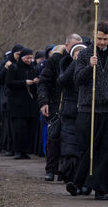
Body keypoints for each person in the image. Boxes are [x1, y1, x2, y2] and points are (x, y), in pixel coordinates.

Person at [66, 21, 108, 200]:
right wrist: (89, 67)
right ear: (94, 35)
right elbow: (77, 79)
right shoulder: (85, 54)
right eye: (99, 38)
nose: (102, 42)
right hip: (88, 107)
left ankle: (101, 189)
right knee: (88, 148)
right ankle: (83, 182)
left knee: (106, 151)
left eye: (105, 39)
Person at [38, 34, 82, 181]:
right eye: (74, 45)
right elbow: (44, 83)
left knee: (69, 140)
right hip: (56, 104)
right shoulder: (54, 61)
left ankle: (66, 170)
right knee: (53, 137)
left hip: (74, 105)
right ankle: (50, 169)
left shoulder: (83, 61)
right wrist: (44, 102)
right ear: (67, 45)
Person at [57, 42, 86, 183]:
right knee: (69, 145)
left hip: (84, 111)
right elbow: (62, 80)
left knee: (81, 146)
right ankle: (67, 173)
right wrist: (76, 64)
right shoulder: (67, 66)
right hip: (69, 112)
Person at [6, 48, 39, 159]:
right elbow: (9, 83)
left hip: (29, 104)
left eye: (31, 58)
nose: (29, 60)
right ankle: (18, 151)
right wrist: (24, 82)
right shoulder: (14, 68)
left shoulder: (32, 68)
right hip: (17, 104)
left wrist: (35, 82)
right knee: (19, 129)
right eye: (27, 58)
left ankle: (25, 151)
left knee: (29, 129)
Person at [0, 44, 24, 156]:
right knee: (8, 125)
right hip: (7, 98)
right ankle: (8, 147)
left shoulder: (22, 64)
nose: (19, 57)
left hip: (19, 99)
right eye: (17, 54)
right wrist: (6, 68)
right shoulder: (7, 63)